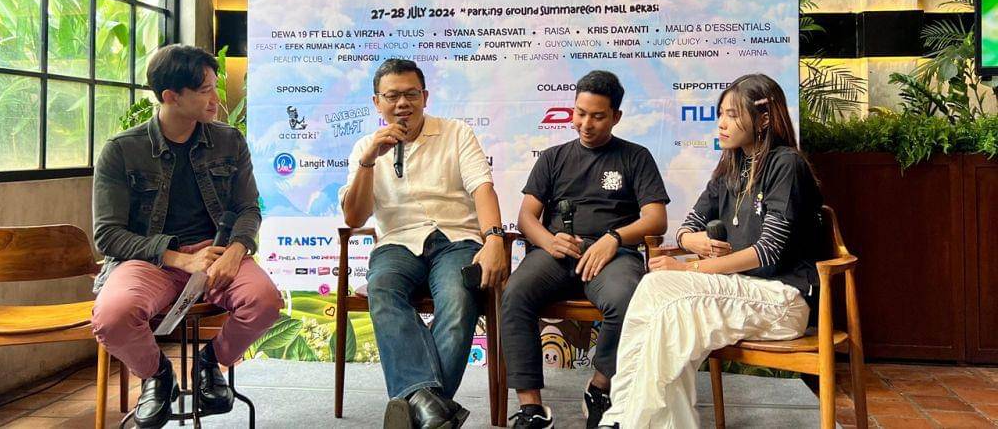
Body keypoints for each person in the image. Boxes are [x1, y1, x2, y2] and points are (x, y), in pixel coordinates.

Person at [597, 73, 823, 428]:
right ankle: (626, 415)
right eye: (720, 114)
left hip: (783, 298)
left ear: (764, 118)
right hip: (737, 291)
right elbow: (687, 226)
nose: (721, 123)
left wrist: (688, 269)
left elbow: (768, 252)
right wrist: (692, 241)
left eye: (732, 114)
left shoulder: (786, 164)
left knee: (669, 299)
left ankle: (633, 421)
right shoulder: (730, 168)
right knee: (657, 292)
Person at [91, 44, 283, 429]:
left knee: (264, 302)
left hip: (217, 252)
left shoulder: (229, 141)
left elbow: (248, 208)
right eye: (205, 90)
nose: (216, 99)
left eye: (215, 87)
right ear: (170, 96)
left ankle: (209, 364)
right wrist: (179, 258)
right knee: (113, 317)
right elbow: (107, 235)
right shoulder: (122, 151)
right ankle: (158, 376)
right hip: (149, 259)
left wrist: (235, 251)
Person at [339, 58, 509, 429]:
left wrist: (494, 238)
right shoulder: (365, 148)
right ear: (377, 102)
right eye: (392, 96)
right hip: (397, 243)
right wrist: (368, 163)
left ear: (425, 97)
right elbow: (355, 218)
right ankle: (431, 407)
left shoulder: (456, 133)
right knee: (382, 288)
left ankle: (418, 403)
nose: (403, 103)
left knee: (459, 297)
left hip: (456, 238)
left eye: (411, 94)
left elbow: (483, 188)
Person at [501, 70, 669, 429]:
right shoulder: (553, 157)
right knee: (515, 294)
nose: (586, 124)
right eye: (580, 113)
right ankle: (531, 409)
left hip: (613, 256)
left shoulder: (636, 157)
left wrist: (614, 238)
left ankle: (599, 388)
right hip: (556, 253)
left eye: (597, 116)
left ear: (616, 116)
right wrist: (548, 240)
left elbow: (656, 219)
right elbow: (526, 216)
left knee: (628, 299)